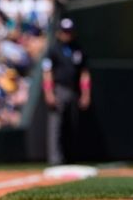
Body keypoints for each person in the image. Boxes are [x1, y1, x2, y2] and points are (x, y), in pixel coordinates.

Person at [42, 17, 91, 166]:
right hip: (59, 89)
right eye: (64, 32)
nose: (67, 35)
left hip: (74, 91)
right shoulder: (53, 50)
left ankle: (71, 158)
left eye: (69, 32)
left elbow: (84, 73)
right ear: (59, 33)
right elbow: (47, 72)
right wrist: (49, 93)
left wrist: (85, 94)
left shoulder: (78, 49)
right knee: (56, 126)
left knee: (72, 125)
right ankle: (55, 160)